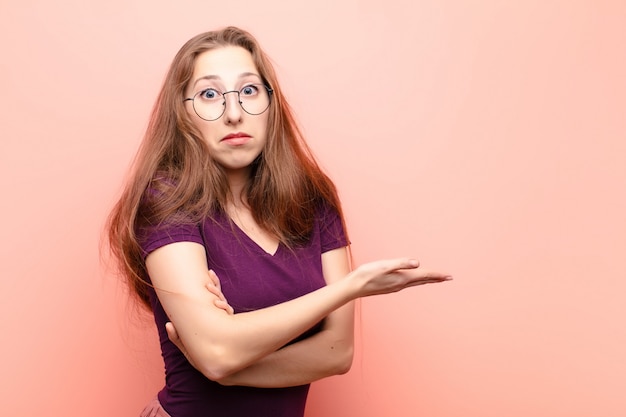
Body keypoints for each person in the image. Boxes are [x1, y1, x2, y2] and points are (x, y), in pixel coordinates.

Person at [107, 26, 451, 417]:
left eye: (249, 91)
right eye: (209, 95)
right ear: (184, 112)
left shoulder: (314, 198)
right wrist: (350, 287)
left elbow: (336, 353)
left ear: (272, 103)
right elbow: (217, 352)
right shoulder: (168, 202)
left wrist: (231, 367)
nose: (233, 113)